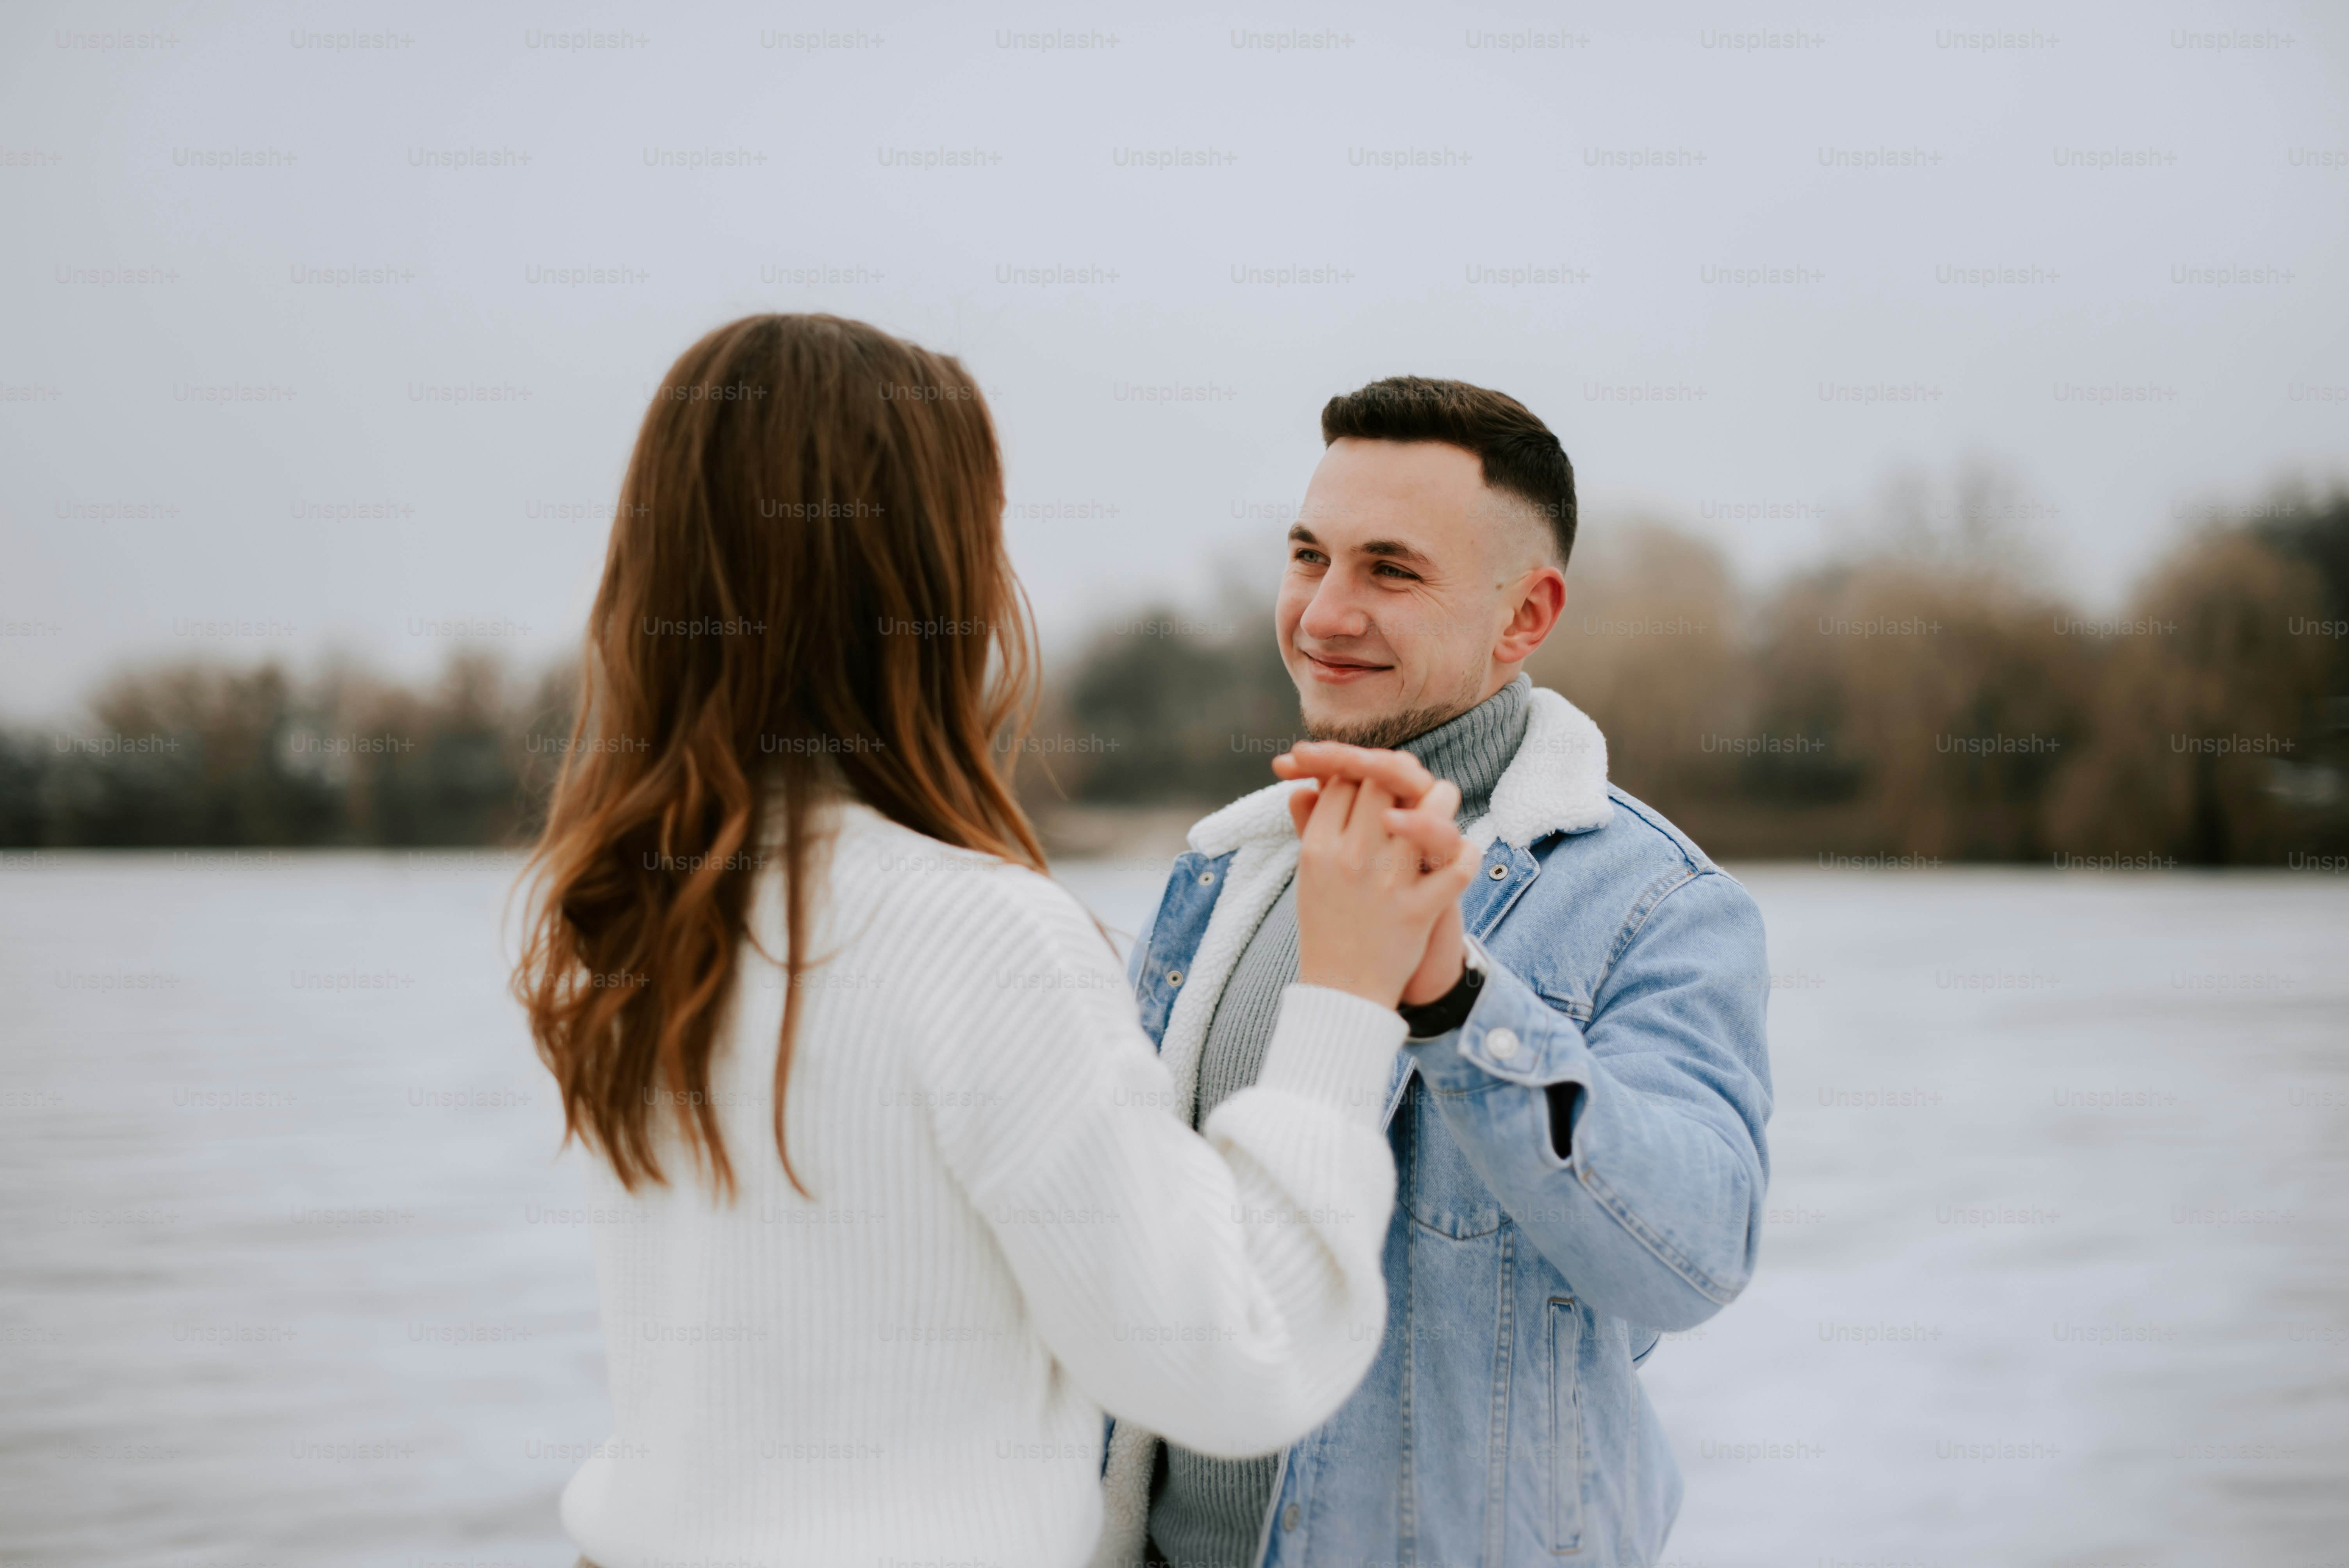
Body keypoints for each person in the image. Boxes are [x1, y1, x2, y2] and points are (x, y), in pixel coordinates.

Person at [510, 315, 1478, 1568]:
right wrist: (1346, 997)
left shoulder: (633, 911)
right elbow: (1236, 1364)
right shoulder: (979, 933)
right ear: (917, 574)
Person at [1105, 378, 1775, 1568]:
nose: (1325, 612)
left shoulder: (1659, 905)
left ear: (1526, 618)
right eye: (1309, 555)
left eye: (1391, 571)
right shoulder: (1222, 868)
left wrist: (1457, 1002)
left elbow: (1695, 1256)